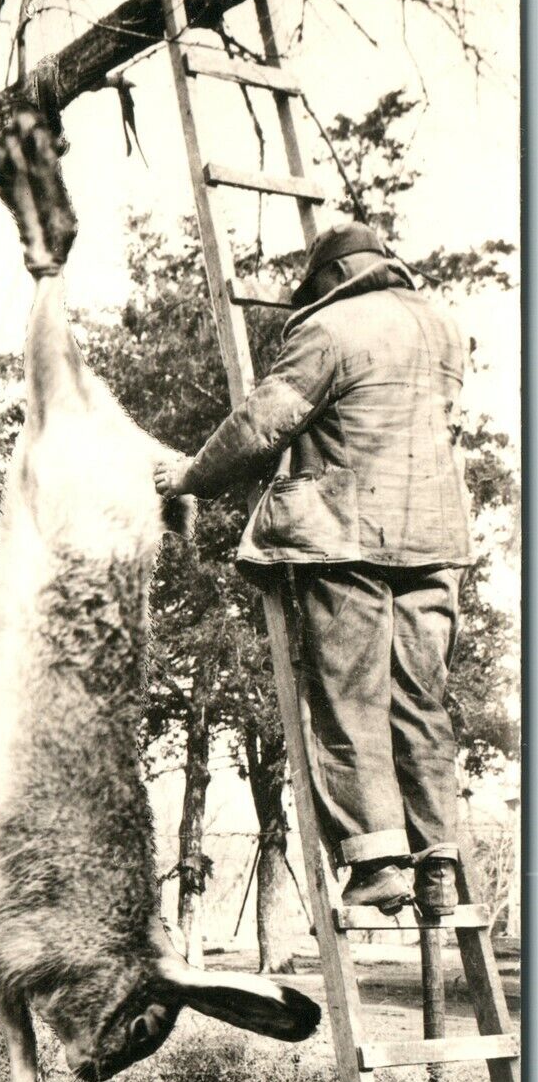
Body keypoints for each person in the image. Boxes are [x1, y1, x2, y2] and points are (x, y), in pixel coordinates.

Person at [155, 222, 472, 918]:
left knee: (348, 697)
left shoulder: (331, 327)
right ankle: (437, 854)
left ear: (330, 276)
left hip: (347, 537)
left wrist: (187, 476)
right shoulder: (444, 327)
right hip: (438, 539)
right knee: (420, 701)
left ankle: (375, 862)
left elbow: (260, 427)